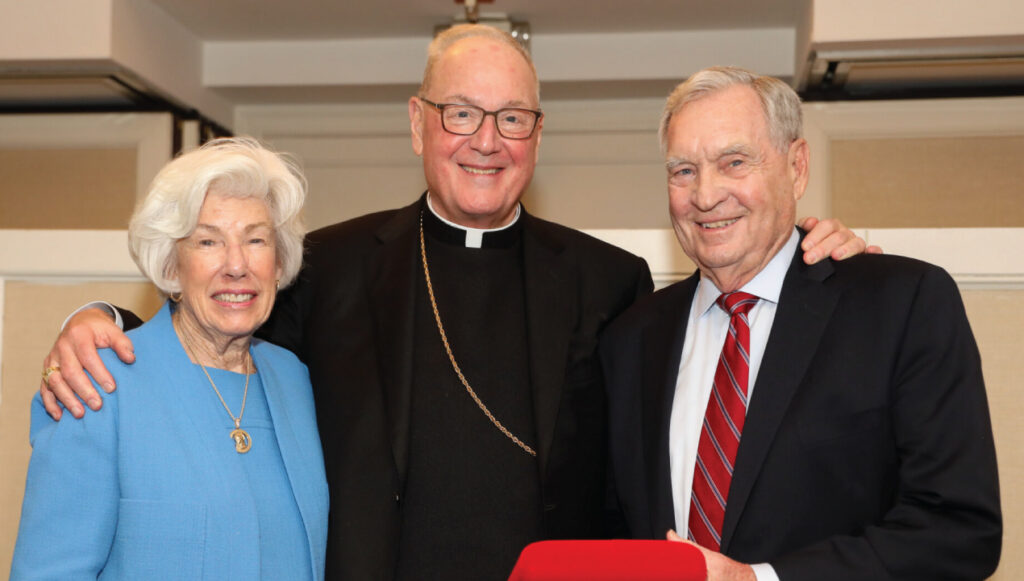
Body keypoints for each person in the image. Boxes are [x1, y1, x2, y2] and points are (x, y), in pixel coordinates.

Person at [36, 28, 869, 581]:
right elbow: (216, 315)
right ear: (417, 122)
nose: (486, 140)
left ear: (537, 136)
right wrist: (104, 319)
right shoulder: (324, 266)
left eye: (511, 117)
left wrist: (808, 256)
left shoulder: (608, 280)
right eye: (461, 113)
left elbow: (719, 325)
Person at [600, 66, 1001, 581]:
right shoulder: (631, 340)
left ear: (797, 167)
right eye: (683, 171)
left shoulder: (901, 305)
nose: (704, 195)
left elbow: (958, 531)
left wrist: (759, 579)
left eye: (734, 162)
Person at [10, 138, 329, 580]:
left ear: (278, 263)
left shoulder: (294, 380)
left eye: (256, 239)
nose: (237, 265)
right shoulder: (101, 381)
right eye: (207, 242)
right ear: (172, 265)